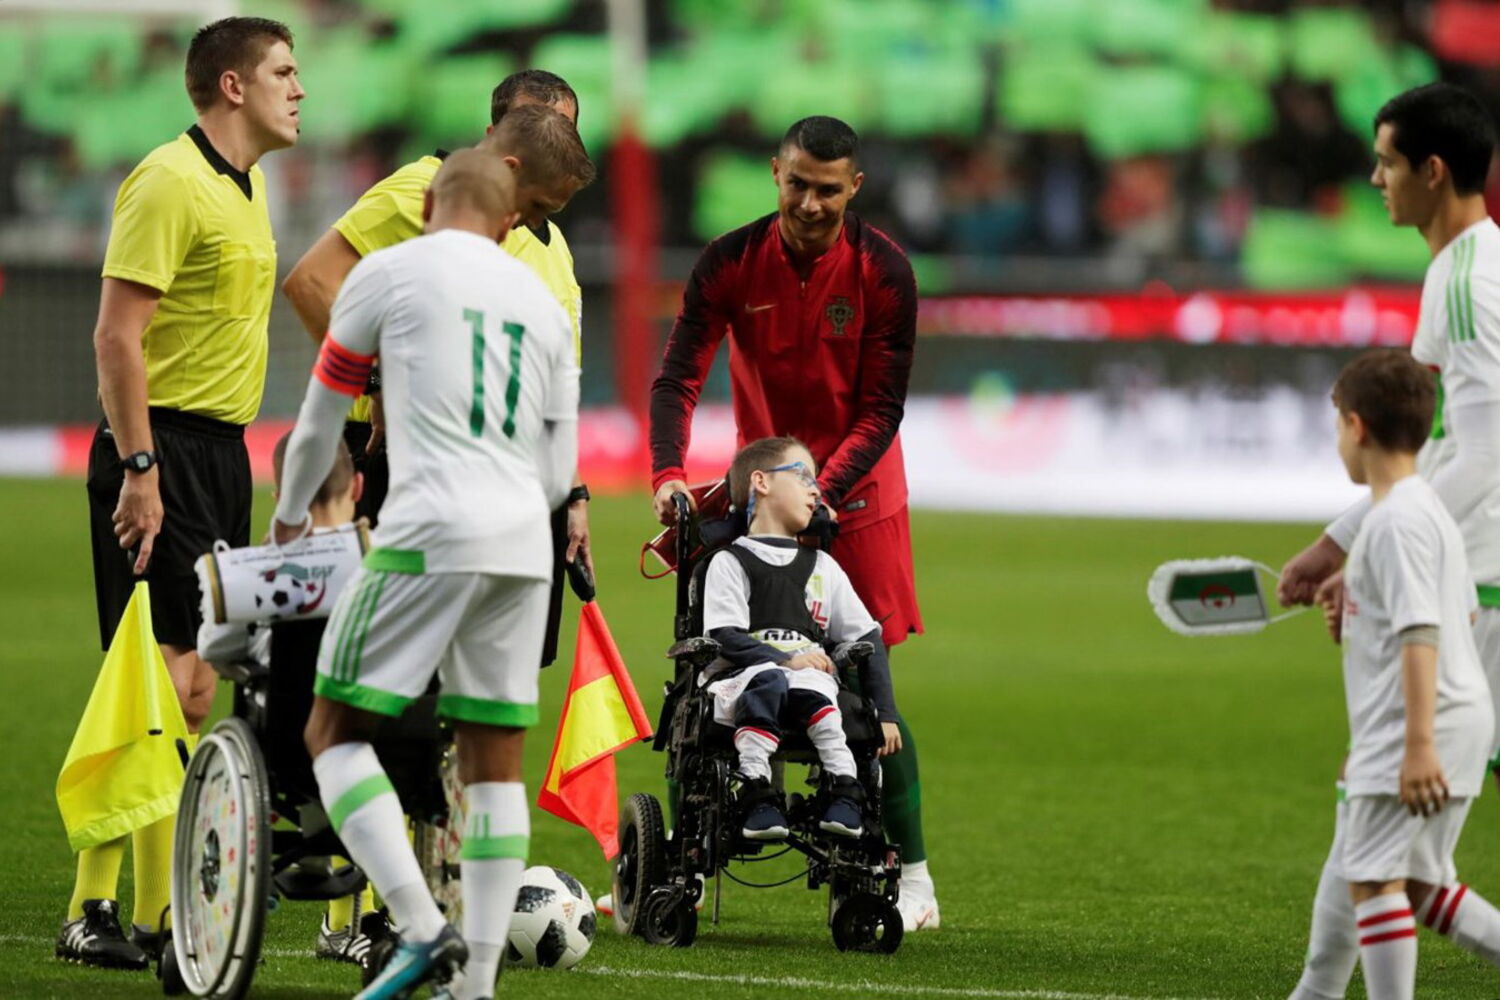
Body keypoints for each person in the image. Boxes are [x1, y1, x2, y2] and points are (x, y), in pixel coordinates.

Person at [273, 148, 580, 1000]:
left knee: (331, 732)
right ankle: (475, 984)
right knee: (493, 764)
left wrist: (291, 517)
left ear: (427, 205)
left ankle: (416, 924)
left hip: (426, 532)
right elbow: (560, 473)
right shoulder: (544, 303)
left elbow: (320, 421)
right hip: (523, 547)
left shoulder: (389, 272)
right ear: (510, 222)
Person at [644, 115, 938, 930]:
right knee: (711, 676)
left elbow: (882, 408)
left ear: (855, 188)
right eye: (798, 184)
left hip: (859, 500)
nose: (810, 203)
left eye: (828, 190)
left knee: (866, 684)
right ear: (776, 173)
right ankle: (686, 861)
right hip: (765, 496)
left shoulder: (885, 271)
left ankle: (914, 878)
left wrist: (819, 492)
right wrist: (669, 474)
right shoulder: (730, 262)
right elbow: (677, 379)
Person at [61, 16, 303, 971]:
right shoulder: (167, 179)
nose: (300, 88)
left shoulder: (247, 186)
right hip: (157, 449)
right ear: (234, 86)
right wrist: (139, 467)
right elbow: (115, 336)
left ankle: (142, 912)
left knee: (194, 685)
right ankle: (119, 913)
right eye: (284, 71)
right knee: (157, 679)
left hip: (221, 455)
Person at [1280, 83, 1500, 996]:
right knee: (1388, 840)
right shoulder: (1459, 267)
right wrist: (1345, 540)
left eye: (1387, 162)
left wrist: (1369, 548)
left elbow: (1482, 448)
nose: (1375, 179)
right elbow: (1442, 443)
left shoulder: (1470, 280)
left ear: (1432, 170)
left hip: (1480, 586)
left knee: (1387, 828)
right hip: (1465, 571)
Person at [283, 70, 593, 672]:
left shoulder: (548, 237)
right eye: (535, 126)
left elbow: (556, 393)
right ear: (498, 135)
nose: (552, 141)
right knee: (394, 668)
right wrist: (380, 384)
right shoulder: (418, 190)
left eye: (564, 132)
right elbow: (311, 282)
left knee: (491, 670)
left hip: (516, 480)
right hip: (408, 458)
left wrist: (572, 496)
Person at [1288, 349, 1493, 1000]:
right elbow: (1459, 609)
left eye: (1337, 427)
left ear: (1357, 427)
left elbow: (1421, 630)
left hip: (1420, 723)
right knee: (1425, 885)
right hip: (1461, 714)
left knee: (1374, 881)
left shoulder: (1394, 522)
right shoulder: (1427, 510)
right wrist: (1360, 600)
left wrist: (1417, 745)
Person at [703, 436, 902, 840]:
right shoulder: (729, 562)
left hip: (809, 683)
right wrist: (785, 659)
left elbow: (867, 637)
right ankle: (756, 790)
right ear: (761, 482)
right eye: (803, 477)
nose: (816, 491)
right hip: (743, 682)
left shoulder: (823, 567)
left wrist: (886, 713)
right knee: (769, 680)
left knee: (816, 690)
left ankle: (845, 791)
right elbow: (725, 636)